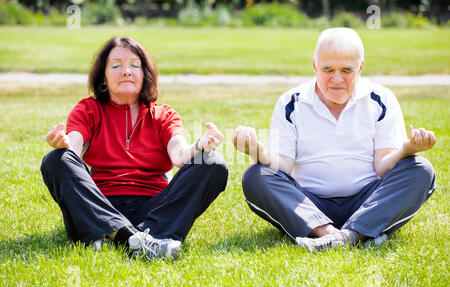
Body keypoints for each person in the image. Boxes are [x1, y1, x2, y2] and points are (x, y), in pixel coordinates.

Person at [232, 28, 436, 253]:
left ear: (360, 67)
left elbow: (382, 167)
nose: (336, 79)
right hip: (308, 204)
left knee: (421, 170)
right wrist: (256, 151)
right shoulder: (291, 102)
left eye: (346, 70)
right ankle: (331, 233)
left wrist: (408, 149)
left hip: (367, 200)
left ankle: (348, 235)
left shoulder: (381, 99)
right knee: (257, 175)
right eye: (328, 69)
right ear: (314, 66)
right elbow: (283, 167)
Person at [41, 37, 228, 261]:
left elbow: (179, 155)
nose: (126, 71)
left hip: (153, 208)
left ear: (145, 75)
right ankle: (130, 237)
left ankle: (123, 235)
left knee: (212, 162)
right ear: (103, 76)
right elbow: (74, 146)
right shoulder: (88, 109)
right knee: (56, 159)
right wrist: (63, 144)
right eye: (116, 65)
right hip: (99, 205)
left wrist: (200, 146)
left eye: (134, 65)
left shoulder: (163, 115)